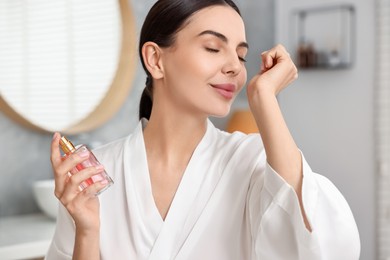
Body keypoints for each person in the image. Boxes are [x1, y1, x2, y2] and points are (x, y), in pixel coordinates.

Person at [46, 0, 360, 259]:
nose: (236, 67)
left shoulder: (251, 162)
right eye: (213, 47)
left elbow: (324, 247)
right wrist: (87, 230)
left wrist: (265, 99)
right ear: (155, 59)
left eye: (241, 55)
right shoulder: (96, 173)